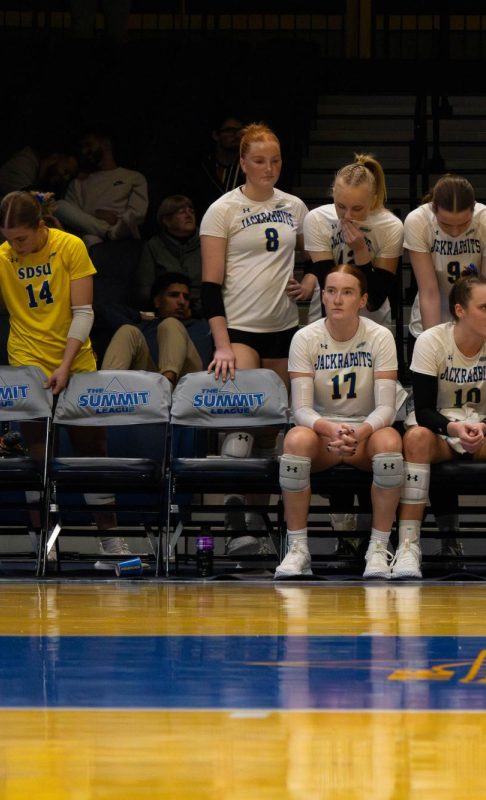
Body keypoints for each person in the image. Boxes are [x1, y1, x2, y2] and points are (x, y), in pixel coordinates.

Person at [0, 191, 126, 555]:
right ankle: (44, 546)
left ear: (41, 226)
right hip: (27, 365)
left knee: (92, 451)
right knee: (38, 455)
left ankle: (110, 541)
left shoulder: (71, 247)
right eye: (7, 238)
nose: (14, 245)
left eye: (21, 238)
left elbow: (84, 312)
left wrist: (64, 365)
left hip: (75, 362)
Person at [200, 122, 310, 555]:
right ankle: (232, 517)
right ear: (243, 162)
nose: (269, 168)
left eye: (276, 160)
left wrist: (310, 284)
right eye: (260, 160)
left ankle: (253, 519)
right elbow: (210, 284)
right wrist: (222, 343)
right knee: (243, 425)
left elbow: (316, 260)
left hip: (283, 327)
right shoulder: (222, 209)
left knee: (270, 432)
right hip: (239, 328)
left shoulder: (295, 207)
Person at [398, 274, 486, 580]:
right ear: (460, 310)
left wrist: (483, 429)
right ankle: (408, 546)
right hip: (442, 432)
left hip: (485, 431)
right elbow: (423, 411)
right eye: (484, 307)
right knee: (417, 438)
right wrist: (453, 429)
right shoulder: (431, 341)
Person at [274, 265, 403, 579]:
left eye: (347, 292)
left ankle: (377, 549)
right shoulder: (305, 338)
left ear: (362, 300)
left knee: (390, 443)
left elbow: (386, 408)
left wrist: (360, 432)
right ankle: (298, 549)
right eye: (330, 291)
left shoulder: (380, 337)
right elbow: (300, 409)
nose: (337, 299)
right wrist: (330, 428)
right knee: (294, 440)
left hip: (365, 434)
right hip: (325, 436)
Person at [304, 153, 402, 329]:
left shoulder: (390, 226)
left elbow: (374, 300)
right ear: (333, 194)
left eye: (357, 208)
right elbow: (329, 287)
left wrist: (361, 251)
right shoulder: (317, 219)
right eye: (341, 206)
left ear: (373, 199)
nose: (348, 216)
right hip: (326, 320)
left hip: (373, 324)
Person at [404, 174, 486, 339]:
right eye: (445, 224)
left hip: (476, 326)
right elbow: (429, 292)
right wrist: (434, 344)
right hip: (431, 322)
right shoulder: (417, 221)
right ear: (433, 209)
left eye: (463, 224)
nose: (454, 232)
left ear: (474, 209)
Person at [101, 271, 206, 386]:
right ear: (157, 301)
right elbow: (103, 310)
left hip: (191, 383)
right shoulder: (145, 326)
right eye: (174, 295)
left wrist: (195, 313)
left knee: (171, 324)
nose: (182, 302)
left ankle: (166, 385)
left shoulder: (201, 325)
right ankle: (108, 392)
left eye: (186, 298)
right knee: (127, 330)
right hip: (152, 387)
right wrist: (140, 315)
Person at [56, 132, 148, 246]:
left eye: (89, 145)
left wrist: (117, 220)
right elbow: (73, 218)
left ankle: (112, 232)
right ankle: (108, 232)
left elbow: (138, 214)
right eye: (82, 148)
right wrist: (97, 216)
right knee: (59, 206)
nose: (84, 151)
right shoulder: (78, 183)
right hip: (91, 236)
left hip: (124, 234)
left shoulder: (133, 177)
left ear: (106, 144)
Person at [135, 195, 201, 313]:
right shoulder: (153, 246)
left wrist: (194, 309)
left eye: (191, 211)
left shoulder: (208, 243)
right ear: (167, 220)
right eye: (181, 212)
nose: (188, 215)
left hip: (202, 313)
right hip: (164, 313)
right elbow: (145, 290)